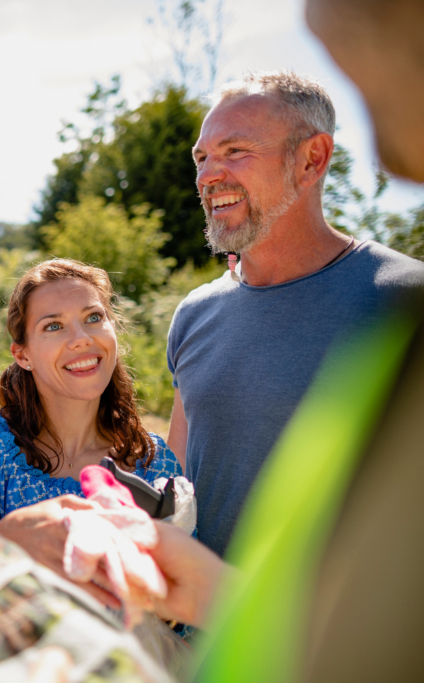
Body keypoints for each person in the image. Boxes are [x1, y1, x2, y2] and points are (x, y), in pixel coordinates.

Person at [164, 70, 424, 557]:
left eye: (234, 151)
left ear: (312, 159)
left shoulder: (406, 300)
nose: (206, 176)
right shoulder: (194, 315)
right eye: (201, 157)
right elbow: (177, 484)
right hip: (203, 608)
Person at [0, 259, 183, 525]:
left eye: (94, 317)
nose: (82, 339)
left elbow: (181, 551)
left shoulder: (153, 463)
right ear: (22, 355)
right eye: (54, 326)